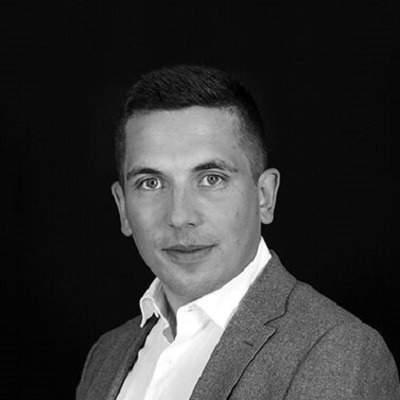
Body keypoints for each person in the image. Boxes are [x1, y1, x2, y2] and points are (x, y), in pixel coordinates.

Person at [76, 65, 400, 400]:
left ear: (264, 196)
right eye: (151, 183)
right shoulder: (106, 356)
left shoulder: (337, 351)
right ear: (123, 207)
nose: (180, 217)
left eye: (211, 179)